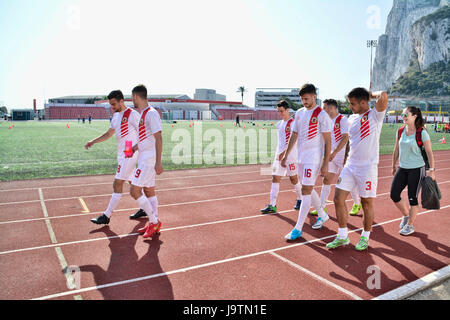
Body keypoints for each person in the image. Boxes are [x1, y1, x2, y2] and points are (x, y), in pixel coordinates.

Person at [326, 88, 388, 251]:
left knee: (366, 203)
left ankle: (365, 237)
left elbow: (384, 95)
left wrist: (369, 95)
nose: (350, 106)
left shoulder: (375, 115)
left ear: (363, 102)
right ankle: (342, 235)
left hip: (367, 168)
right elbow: (348, 141)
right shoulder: (351, 118)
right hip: (350, 166)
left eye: (353, 103)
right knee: (338, 198)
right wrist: (344, 159)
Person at [85, 90, 146, 225]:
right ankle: (145, 209)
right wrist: (93, 141)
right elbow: (109, 133)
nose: (112, 107)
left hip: (129, 153)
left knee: (117, 183)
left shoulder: (132, 114)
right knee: (133, 185)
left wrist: (135, 149)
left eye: (113, 104)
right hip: (121, 154)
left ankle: (106, 216)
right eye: (110, 105)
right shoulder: (116, 117)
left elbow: (144, 133)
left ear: (121, 101)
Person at [281, 83, 332, 240]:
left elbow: (328, 141)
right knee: (306, 187)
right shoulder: (299, 113)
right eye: (302, 99)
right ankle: (322, 214)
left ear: (314, 96)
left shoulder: (322, 115)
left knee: (306, 191)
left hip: (313, 159)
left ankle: (298, 228)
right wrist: (286, 154)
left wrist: (325, 162)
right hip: (301, 157)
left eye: (306, 98)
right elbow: (294, 134)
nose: (304, 101)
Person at [309, 99, 362, 218]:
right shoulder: (325, 121)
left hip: (341, 156)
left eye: (325, 107)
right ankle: (321, 207)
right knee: (326, 180)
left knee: (349, 181)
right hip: (331, 156)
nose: (323, 110)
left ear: (331, 108)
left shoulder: (342, 120)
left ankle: (357, 203)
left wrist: (335, 152)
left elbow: (345, 138)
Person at [390, 107, 435, 236]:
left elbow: (429, 153)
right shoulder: (400, 131)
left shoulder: (422, 133)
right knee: (394, 195)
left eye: (406, 114)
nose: (403, 117)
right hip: (402, 168)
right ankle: (406, 215)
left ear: (414, 116)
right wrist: (393, 164)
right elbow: (396, 149)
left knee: (412, 199)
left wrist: (432, 170)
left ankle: (410, 225)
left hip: (417, 169)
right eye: (402, 114)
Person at [127, 84, 163, 239]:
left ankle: (154, 221)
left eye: (131, 97)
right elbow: (145, 138)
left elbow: (159, 137)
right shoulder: (143, 114)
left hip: (148, 160)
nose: (131, 100)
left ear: (136, 96)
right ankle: (152, 222)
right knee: (149, 191)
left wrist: (158, 162)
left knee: (134, 191)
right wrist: (135, 148)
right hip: (143, 157)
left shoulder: (152, 114)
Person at [260, 100, 303, 214]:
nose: (280, 113)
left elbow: (293, 141)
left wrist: (284, 153)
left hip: (291, 156)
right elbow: (281, 141)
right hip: (278, 156)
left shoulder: (293, 123)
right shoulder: (279, 124)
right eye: (278, 111)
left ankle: (300, 199)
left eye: (282, 111)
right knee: (275, 178)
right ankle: (272, 205)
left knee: (293, 179)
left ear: (287, 110)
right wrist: (278, 154)